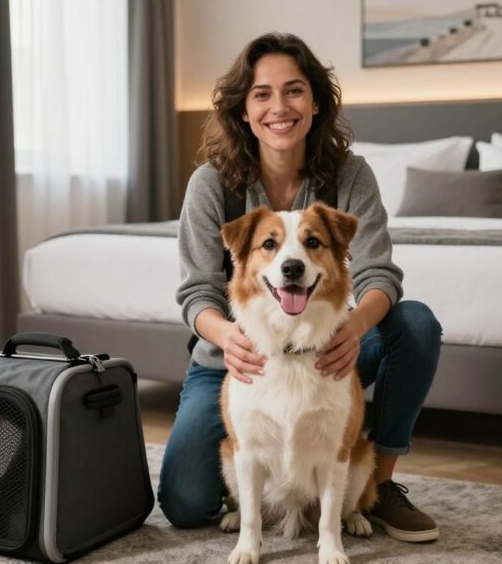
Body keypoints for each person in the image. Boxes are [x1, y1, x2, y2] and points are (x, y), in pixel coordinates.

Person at [158, 32, 443, 543]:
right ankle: (258, 485)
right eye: (262, 94)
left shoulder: (350, 175)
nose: (279, 107)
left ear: (315, 103)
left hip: (325, 345)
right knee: (185, 502)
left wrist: (354, 327)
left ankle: (379, 485)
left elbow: (379, 273)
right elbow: (196, 292)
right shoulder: (211, 184)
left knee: (416, 324)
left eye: (293, 90)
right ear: (244, 110)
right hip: (237, 357)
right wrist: (227, 337)